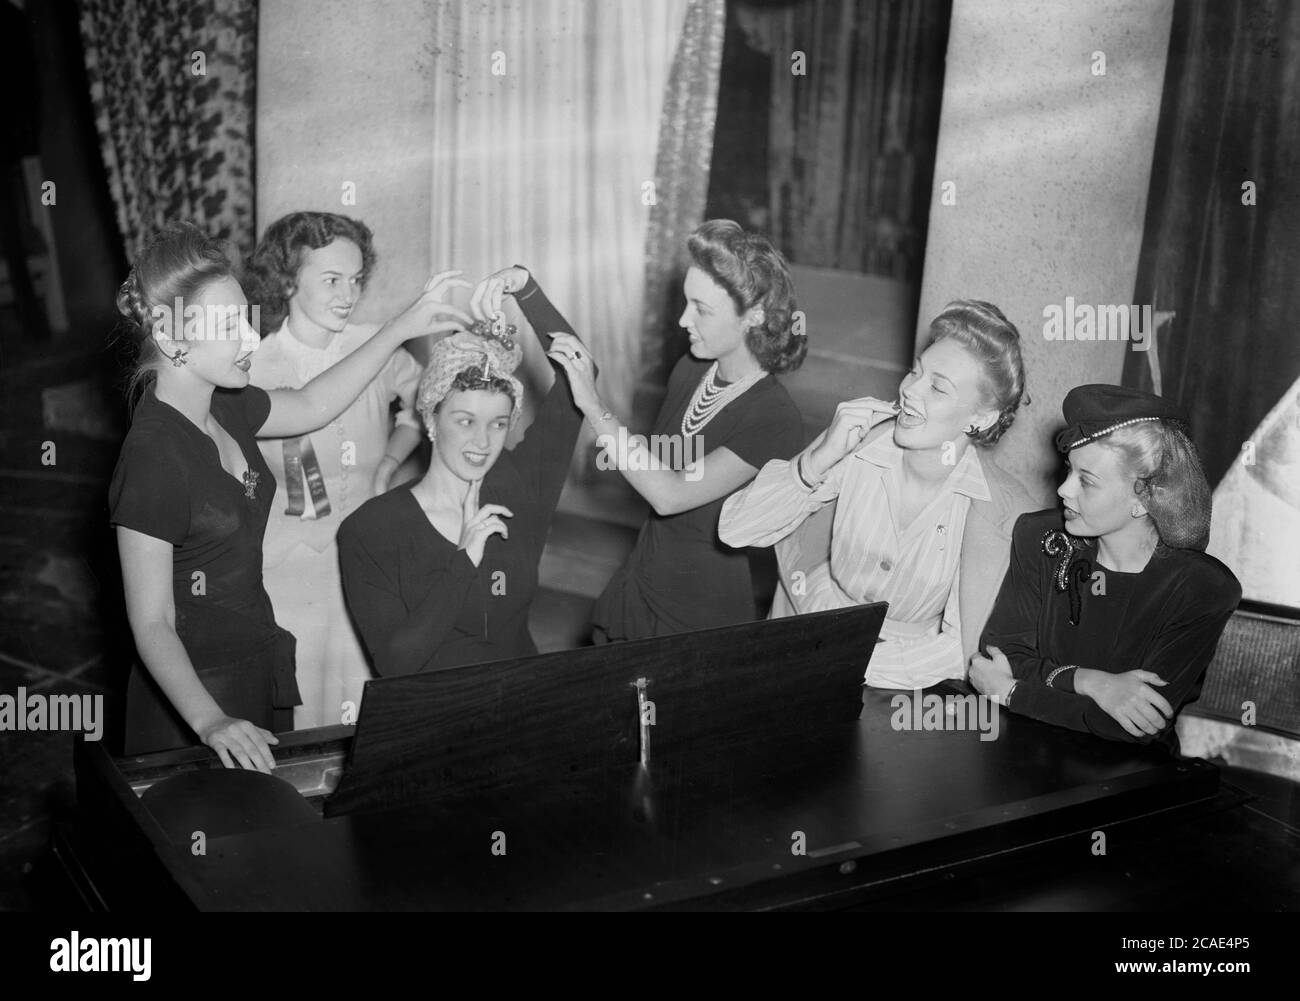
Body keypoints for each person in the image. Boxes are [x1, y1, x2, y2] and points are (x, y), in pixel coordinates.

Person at [108, 222, 470, 769]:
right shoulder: (152, 458)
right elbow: (152, 621)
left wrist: (400, 327)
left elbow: (313, 403)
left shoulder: (223, 403)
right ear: (171, 337)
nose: (250, 338)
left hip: (257, 659)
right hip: (194, 700)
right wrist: (210, 721)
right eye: (230, 325)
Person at [719, 300, 1036, 689]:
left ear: (981, 417)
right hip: (800, 628)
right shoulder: (859, 445)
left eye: (937, 387)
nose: (909, 390)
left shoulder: (998, 510)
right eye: (915, 371)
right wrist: (817, 460)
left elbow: (959, 649)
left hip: (902, 683)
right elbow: (735, 530)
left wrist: (845, 661)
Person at [338, 266, 592, 674]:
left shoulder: (520, 486)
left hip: (526, 705)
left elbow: (580, 374)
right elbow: (396, 664)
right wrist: (464, 558)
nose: (482, 442)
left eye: (498, 423)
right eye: (465, 420)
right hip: (438, 721)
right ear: (432, 421)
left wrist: (525, 290)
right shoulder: (373, 528)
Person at [969, 384, 1242, 751]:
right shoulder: (1041, 539)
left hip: (1125, 780)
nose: (1065, 489)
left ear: (1145, 498)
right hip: (1018, 752)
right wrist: (1091, 682)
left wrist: (1012, 692)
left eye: (1087, 480)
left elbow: (1134, 727)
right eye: (1070, 471)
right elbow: (999, 658)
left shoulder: (1202, 588)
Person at [577, 220, 806, 642]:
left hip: (698, 612)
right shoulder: (690, 369)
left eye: (701, 309)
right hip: (640, 578)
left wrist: (595, 408)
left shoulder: (774, 418)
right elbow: (657, 465)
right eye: (686, 302)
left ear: (753, 316)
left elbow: (670, 494)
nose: (683, 319)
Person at [243, 212, 425, 729]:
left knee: (366, 689)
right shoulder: (253, 365)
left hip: (367, 552)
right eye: (330, 279)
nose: (348, 294)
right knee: (301, 701)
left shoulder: (377, 344)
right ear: (286, 280)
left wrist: (390, 461)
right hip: (287, 562)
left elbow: (422, 407)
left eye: (356, 279)